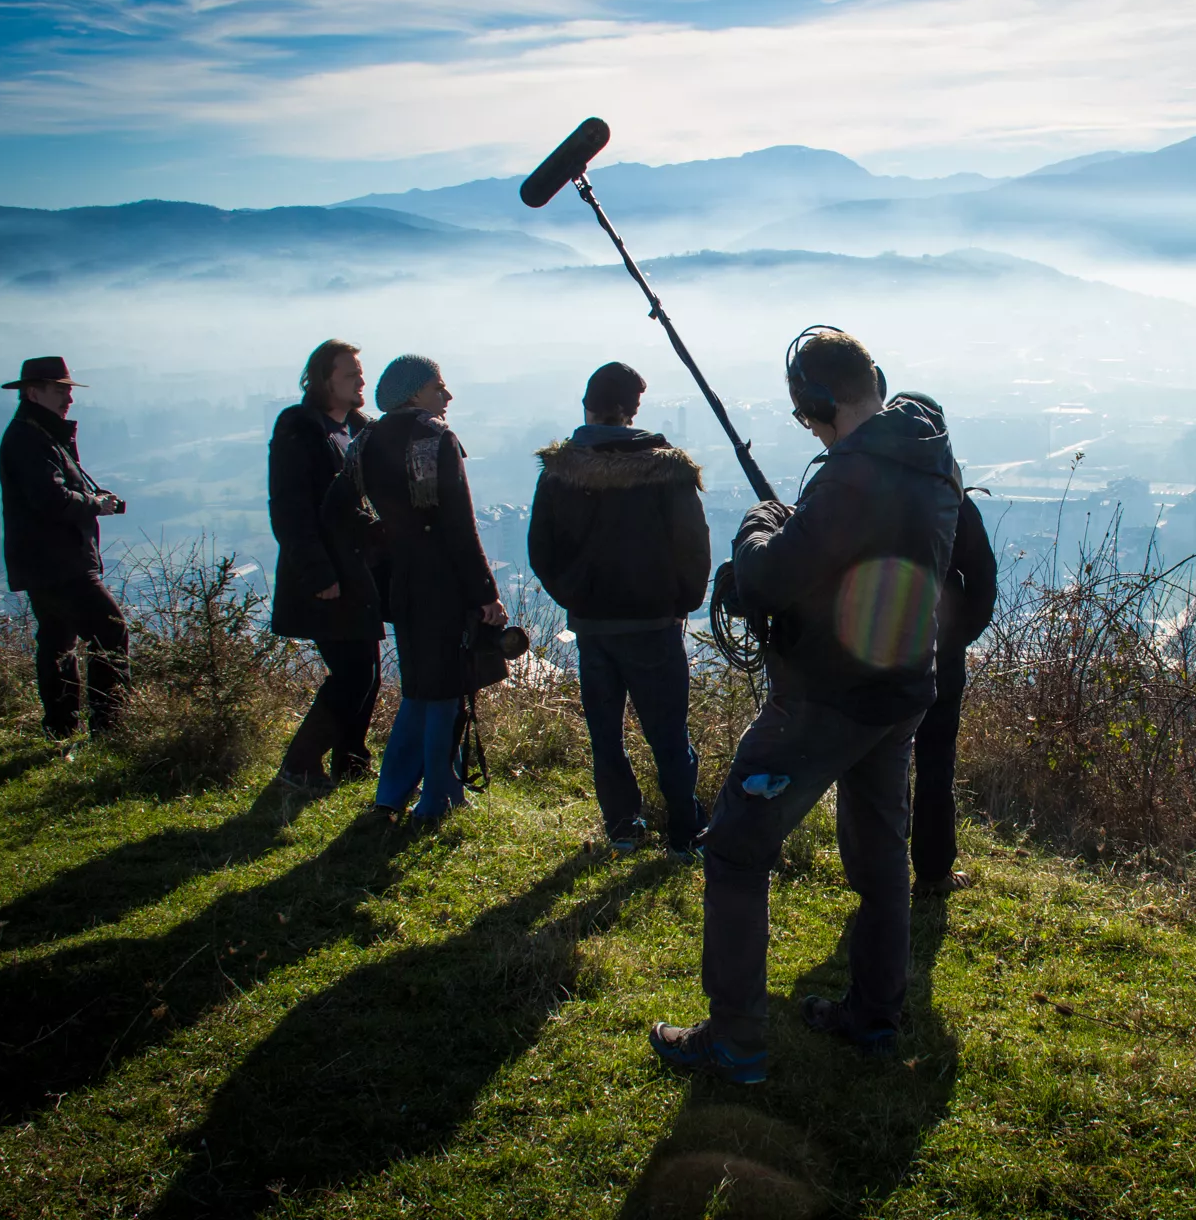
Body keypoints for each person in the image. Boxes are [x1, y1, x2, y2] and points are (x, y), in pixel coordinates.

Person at [650, 328, 960, 1084]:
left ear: (814, 406)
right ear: (874, 381)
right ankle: (874, 1017)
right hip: (901, 689)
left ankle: (735, 1042)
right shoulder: (931, 454)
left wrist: (761, 522)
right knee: (882, 856)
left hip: (825, 700)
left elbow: (762, 581)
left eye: (806, 417)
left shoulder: (849, 479)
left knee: (732, 851)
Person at [528, 361, 711, 856]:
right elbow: (693, 545)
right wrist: (683, 601)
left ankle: (623, 826)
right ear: (633, 410)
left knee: (605, 732)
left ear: (587, 404)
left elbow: (541, 551)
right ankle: (684, 832)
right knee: (669, 733)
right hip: (654, 621)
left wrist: (575, 595)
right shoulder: (666, 469)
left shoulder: (561, 470)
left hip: (592, 624)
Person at [333, 354, 505, 825]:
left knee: (419, 691)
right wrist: (486, 593)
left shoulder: (365, 440)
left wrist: (382, 541)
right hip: (444, 584)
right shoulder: (436, 437)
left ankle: (391, 796)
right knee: (445, 691)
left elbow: (337, 509)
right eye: (438, 387)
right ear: (414, 393)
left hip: (402, 583)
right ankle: (437, 800)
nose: (447, 397)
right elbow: (458, 526)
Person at [268, 339, 386, 789]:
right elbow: (290, 509)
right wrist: (319, 574)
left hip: (358, 572)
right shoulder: (300, 429)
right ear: (323, 381)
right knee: (354, 674)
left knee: (367, 672)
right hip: (325, 575)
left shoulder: (357, 428)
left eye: (360, 372)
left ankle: (351, 762)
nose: (361, 381)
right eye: (350, 374)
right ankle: (298, 765)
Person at [0, 355, 130, 740]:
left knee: (58, 641)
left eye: (69, 390)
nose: (68, 398)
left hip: (45, 561)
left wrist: (90, 499)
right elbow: (51, 500)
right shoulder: (29, 437)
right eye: (61, 390)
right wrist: (96, 505)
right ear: (33, 392)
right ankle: (110, 725)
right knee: (110, 631)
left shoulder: (35, 432)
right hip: (62, 562)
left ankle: (62, 727)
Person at [904, 402, 997, 898]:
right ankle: (935, 872)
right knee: (936, 759)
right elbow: (983, 583)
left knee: (882, 756)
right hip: (939, 650)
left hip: (876, 650)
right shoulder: (953, 500)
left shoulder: (865, 490)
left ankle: (880, 861)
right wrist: (956, 637)